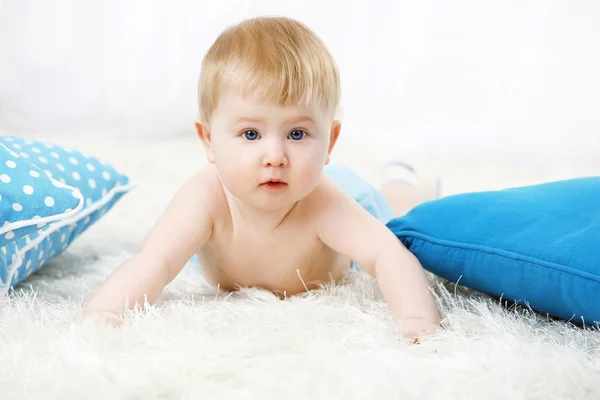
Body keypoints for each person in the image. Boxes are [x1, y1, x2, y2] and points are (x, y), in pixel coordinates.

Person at [81, 16, 443, 342]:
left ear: (330, 141)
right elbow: (154, 260)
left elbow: (387, 256)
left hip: (349, 195)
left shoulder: (324, 201)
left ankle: (401, 178)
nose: (275, 156)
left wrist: (416, 320)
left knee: (402, 223)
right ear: (209, 140)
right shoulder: (205, 195)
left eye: (297, 134)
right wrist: (104, 315)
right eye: (251, 134)